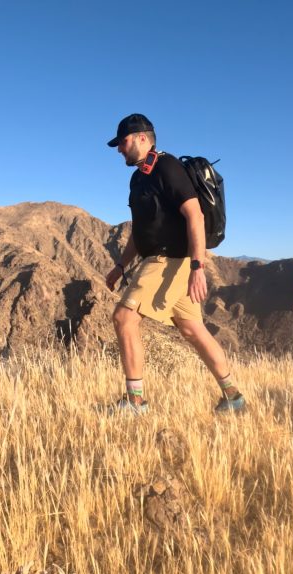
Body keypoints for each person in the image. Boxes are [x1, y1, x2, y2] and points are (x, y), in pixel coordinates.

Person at [104, 113, 245, 414]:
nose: (119, 149)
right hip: (159, 259)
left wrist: (198, 267)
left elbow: (195, 215)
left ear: (143, 138)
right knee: (193, 330)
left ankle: (135, 402)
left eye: (123, 142)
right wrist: (120, 265)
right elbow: (139, 230)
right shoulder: (138, 177)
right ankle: (234, 398)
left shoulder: (167, 167)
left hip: (169, 260)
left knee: (124, 318)